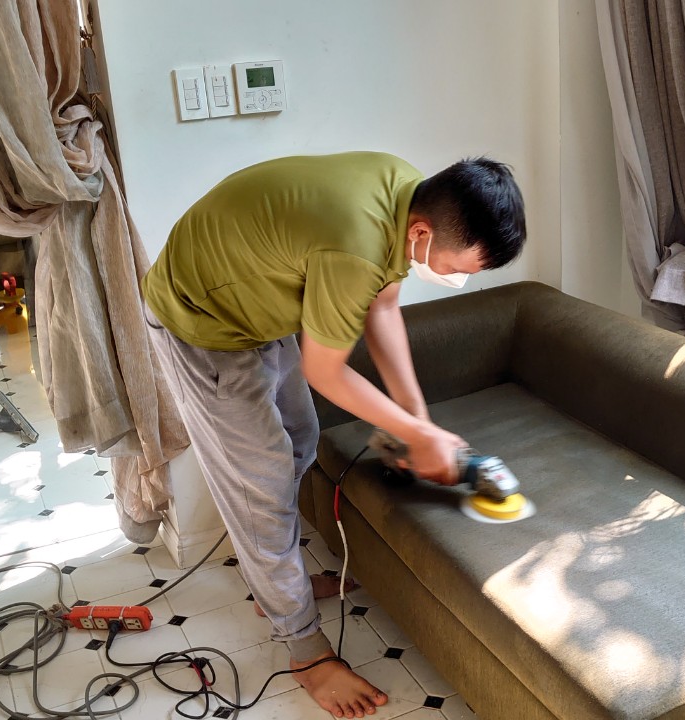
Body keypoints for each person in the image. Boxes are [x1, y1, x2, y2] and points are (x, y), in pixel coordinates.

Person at [142, 151, 526, 718]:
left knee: (301, 437)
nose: (458, 278)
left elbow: (383, 309)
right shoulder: (355, 244)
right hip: (203, 323)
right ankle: (305, 652)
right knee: (259, 485)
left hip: (258, 305)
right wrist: (414, 433)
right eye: (458, 267)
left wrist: (419, 423)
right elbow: (326, 372)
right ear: (423, 233)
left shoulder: (404, 194)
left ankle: (277, 584)